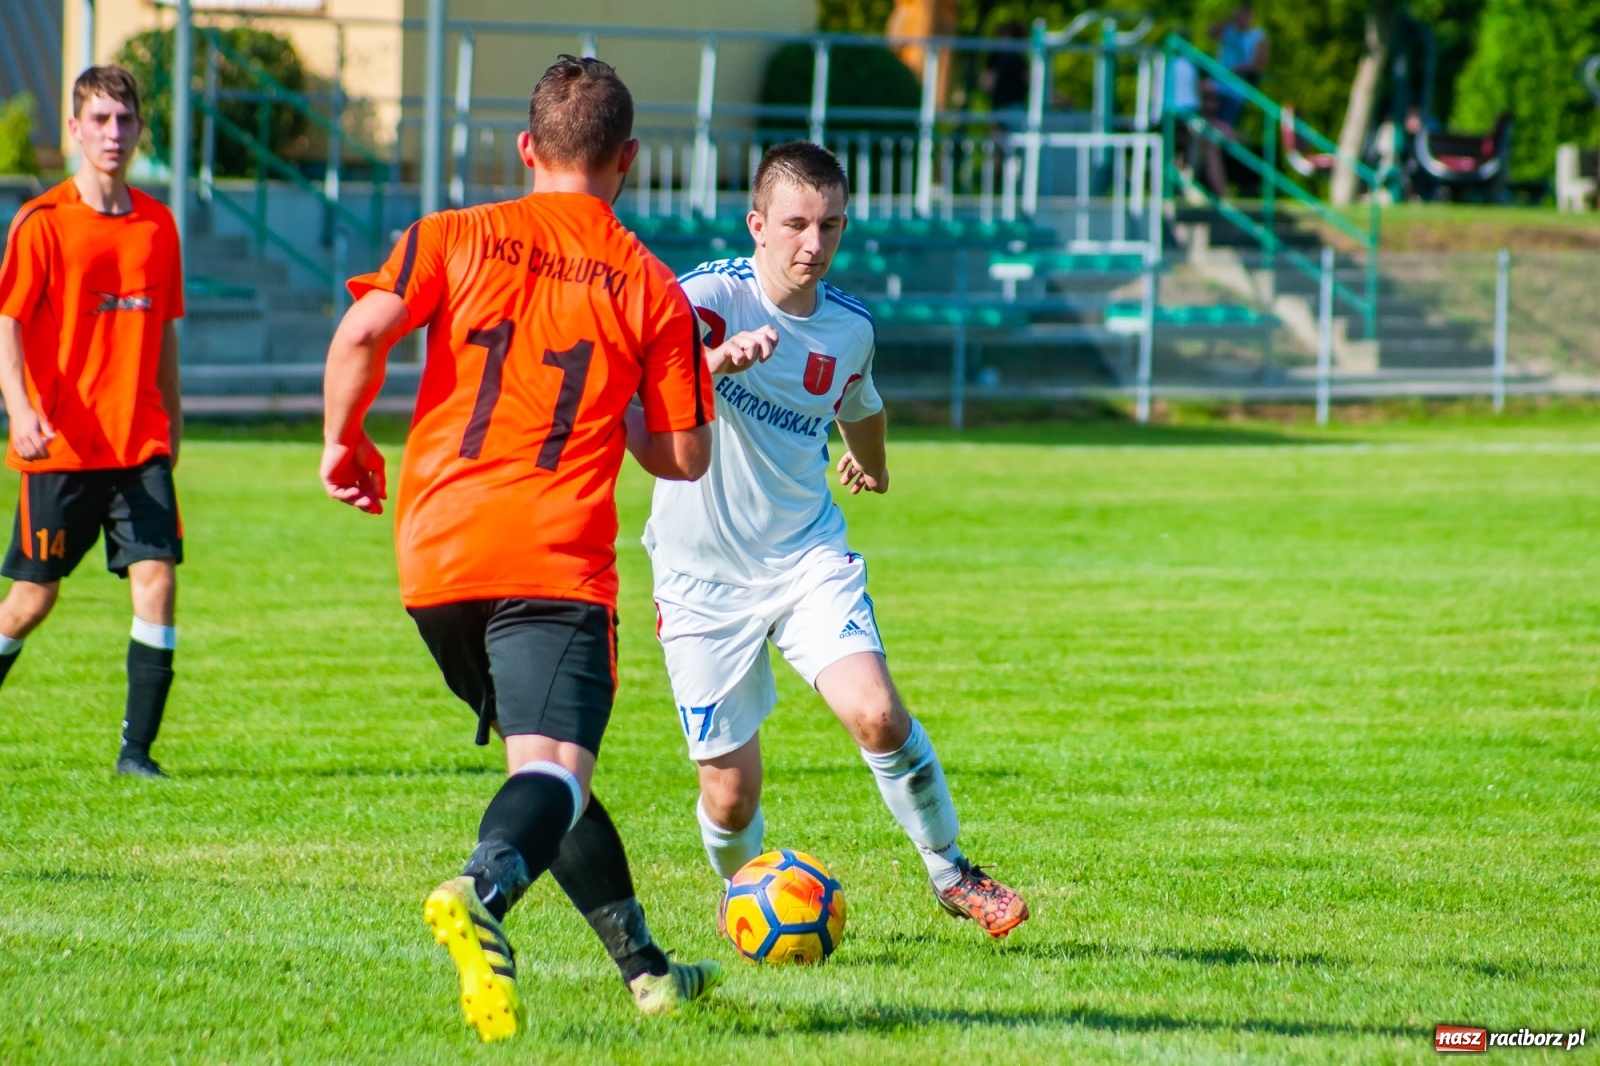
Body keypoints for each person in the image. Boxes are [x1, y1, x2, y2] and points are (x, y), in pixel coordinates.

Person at [320, 55, 721, 1042]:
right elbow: (683, 456)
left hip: (436, 560)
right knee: (556, 773)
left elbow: (366, 330)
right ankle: (481, 891)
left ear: (526, 148)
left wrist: (343, 437)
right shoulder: (648, 288)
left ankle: (650, 973)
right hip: (552, 564)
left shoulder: (450, 236)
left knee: (543, 769)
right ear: (629, 160)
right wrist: (636, 384)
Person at [643, 142, 1030, 940]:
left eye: (830, 225)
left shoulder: (849, 327)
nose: (811, 243)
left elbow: (861, 402)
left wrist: (873, 464)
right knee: (730, 796)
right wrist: (712, 362)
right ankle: (742, 902)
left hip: (804, 559)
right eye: (794, 224)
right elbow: (632, 381)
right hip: (698, 579)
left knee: (879, 714)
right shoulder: (706, 296)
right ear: (757, 224)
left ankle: (951, 871)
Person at [0, 66, 184, 779]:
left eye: (125, 120)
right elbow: (8, 325)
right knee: (30, 601)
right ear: (74, 129)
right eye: (100, 120)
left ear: (140, 129)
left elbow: (165, 333)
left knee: (158, 580)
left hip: (137, 443)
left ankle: (136, 755)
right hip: (61, 445)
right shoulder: (43, 222)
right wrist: (19, 411)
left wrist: (173, 423)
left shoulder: (158, 225)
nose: (114, 133)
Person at [1208, 4, 1268, 128]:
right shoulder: (1229, 30)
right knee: (1210, 126)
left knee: (1223, 126)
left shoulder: (1258, 36)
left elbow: (1258, 64)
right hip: (1217, 87)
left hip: (1236, 91)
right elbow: (1210, 32)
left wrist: (1235, 70)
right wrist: (1229, 19)